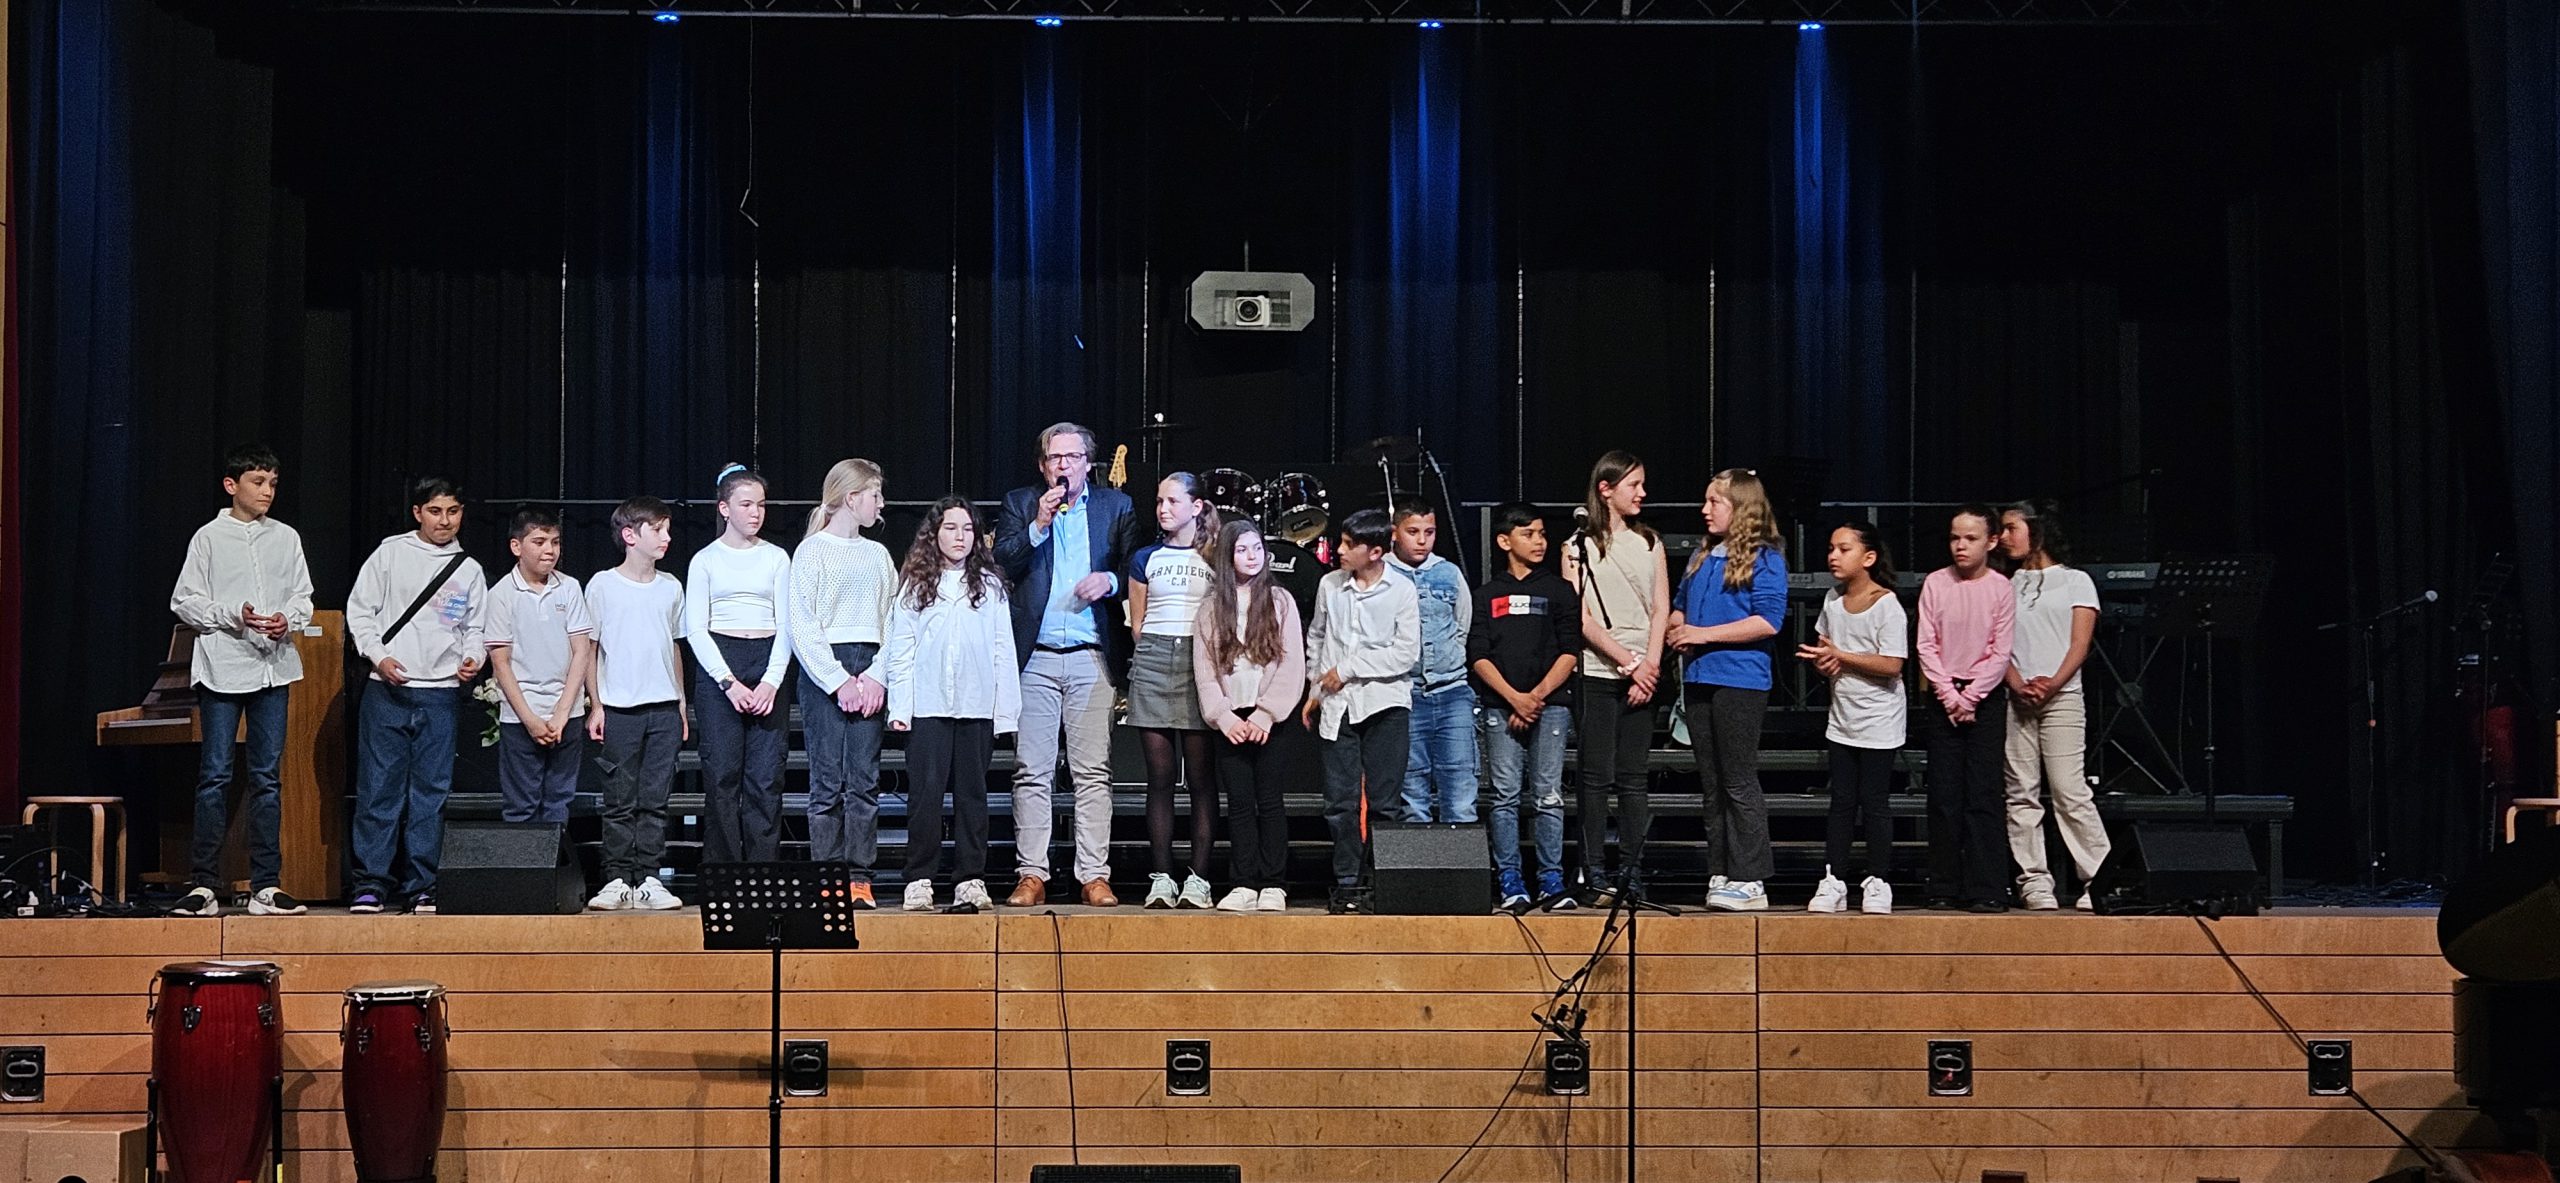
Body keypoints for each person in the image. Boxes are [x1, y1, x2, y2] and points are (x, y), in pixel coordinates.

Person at [167, 443, 315, 916]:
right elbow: (184, 601)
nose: (267, 491)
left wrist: (288, 619)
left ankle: (266, 885)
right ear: (232, 485)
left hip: (273, 667)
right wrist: (234, 614)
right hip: (223, 668)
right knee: (215, 776)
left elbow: (303, 596)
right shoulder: (209, 537)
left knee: (267, 778)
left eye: (272, 483)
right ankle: (204, 885)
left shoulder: (286, 537)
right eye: (257, 481)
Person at [994, 422, 1138, 908]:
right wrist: (1038, 524)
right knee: (1031, 770)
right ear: (1043, 466)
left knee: (1092, 771)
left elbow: (1133, 567)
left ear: (1087, 464)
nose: (1064, 465)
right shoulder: (1021, 503)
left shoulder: (1115, 506)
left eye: (1073, 457)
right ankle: (1031, 873)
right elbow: (1003, 561)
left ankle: (1094, 875)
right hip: (1034, 656)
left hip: (1089, 654)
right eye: (1055, 458)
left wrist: (1109, 582)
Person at [346, 476, 486, 915]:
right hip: (389, 689)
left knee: (430, 793)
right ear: (417, 513)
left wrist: (472, 657)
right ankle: (371, 883)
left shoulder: (468, 569)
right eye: (435, 511)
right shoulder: (391, 553)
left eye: (453, 511)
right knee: (379, 789)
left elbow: (474, 627)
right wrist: (379, 657)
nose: (445, 521)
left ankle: (422, 885)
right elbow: (360, 612)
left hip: (441, 692)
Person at [884, 498, 1021, 913]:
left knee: (972, 796)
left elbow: (1003, 650)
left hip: (976, 706)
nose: (960, 537)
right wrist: (900, 707)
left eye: (967, 529)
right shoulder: (916, 583)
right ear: (934, 533)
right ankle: (919, 878)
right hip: (928, 706)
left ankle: (970, 878)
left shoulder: (990, 586)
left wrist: (1006, 712)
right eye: (950, 528)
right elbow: (901, 649)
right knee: (925, 796)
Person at [1668, 469, 1789, 911]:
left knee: (1738, 779)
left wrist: (1702, 635)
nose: (1705, 510)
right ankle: (1721, 868)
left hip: (1739, 680)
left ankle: (1750, 878)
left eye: (1714, 502)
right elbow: (1680, 608)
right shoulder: (1703, 555)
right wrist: (1676, 628)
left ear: (1741, 509)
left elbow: (1767, 621)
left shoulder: (1765, 557)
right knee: (1712, 783)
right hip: (1700, 678)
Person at [1557, 451, 1669, 901]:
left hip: (1645, 673)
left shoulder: (1649, 542)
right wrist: (1628, 662)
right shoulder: (1576, 547)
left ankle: (1632, 872)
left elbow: (1661, 607)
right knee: (1595, 776)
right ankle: (1594, 872)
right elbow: (1581, 617)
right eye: (1633, 485)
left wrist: (1650, 666)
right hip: (1600, 671)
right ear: (1605, 489)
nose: (1642, 493)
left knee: (1633, 777)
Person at [789, 459, 897, 906]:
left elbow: (893, 620)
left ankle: (859, 878)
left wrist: (875, 675)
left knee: (864, 781)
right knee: (826, 781)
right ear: (852, 498)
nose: (881, 504)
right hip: (824, 672)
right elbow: (802, 624)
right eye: (875, 495)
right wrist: (838, 681)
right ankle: (829, 877)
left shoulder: (879, 555)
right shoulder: (811, 551)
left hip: (868, 663)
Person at [1302, 508, 1420, 915]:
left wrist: (1348, 669)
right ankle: (1348, 884)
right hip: (1338, 706)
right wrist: (1315, 689)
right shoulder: (1330, 585)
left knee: (1385, 803)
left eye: (1349, 545)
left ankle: (1380, 882)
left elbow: (1405, 653)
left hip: (1385, 704)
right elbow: (1317, 637)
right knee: (1340, 803)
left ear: (1375, 552)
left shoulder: (1401, 589)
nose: (1339, 550)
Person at [1468, 505, 1580, 912]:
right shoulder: (1486, 594)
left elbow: (1570, 650)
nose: (1539, 542)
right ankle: (1510, 878)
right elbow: (1478, 654)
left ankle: (1551, 878)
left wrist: (1536, 696)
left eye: (1542, 534)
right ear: (1504, 541)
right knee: (1505, 795)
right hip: (1501, 706)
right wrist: (1514, 698)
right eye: (1528, 534)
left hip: (1550, 707)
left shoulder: (1559, 590)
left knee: (1548, 794)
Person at [1998, 499, 2109, 910]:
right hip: (2017, 697)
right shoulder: (2004, 585)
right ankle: (2034, 881)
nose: (2004, 537)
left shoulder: (2075, 581)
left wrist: (2051, 684)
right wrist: (2017, 683)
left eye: (2011, 528)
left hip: (2061, 697)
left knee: (2069, 789)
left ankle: (2098, 879)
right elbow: (1997, 645)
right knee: (2020, 793)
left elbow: (2080, 644)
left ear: (2036, 529)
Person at [583, 496, 691, 911]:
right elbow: (590, 648)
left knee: (655, 799)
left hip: (662, 708)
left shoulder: (671, 587)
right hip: (619, 708)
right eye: (657, 529)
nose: (666, 537)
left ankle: (649, 876)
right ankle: (616, 878)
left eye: (668, 529)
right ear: (630, 535)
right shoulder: (603, 585)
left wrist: (680, 702)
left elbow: (674, 647)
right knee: (619, 799)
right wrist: (596, 705)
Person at [1193, 519, 1307, 913]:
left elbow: (1292, 663)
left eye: (1257, 548)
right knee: (1239, 803)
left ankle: (1274, 883)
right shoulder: (1210, 609)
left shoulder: (1280, 601)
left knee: (1269, 800)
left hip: (1269, 719)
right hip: (1231, 721)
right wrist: (1224, 717)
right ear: (1227, 557)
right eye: (1242, 550)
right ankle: (1243, 882)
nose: (1252, 556)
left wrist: (1266, 714)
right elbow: (1205, 670)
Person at [685, 464, 795, 866]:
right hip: (722, 664)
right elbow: (696, 629)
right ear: (724, 508)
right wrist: (728, 682)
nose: (755, 513)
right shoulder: (705, 560)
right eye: (746, 504)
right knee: (722, 777)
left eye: (761, 505)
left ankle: (763, 871)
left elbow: (787, 625)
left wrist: (770, 681)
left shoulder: (776, 557)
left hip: (767, 661)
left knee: (765, 779)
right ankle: (724, 874)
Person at [1797, 522, 1908, 915]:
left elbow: (1892, 664)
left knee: (1874, 802)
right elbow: (1827, 652)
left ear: (1869, 557)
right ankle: (1834, 879)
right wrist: (1825, 663)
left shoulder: (1886, 604)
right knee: (1841, 802)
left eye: (1844, 549)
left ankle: (1878, 880)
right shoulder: (1832, 599)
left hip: (1879, 720)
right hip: (1842, 718)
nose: (1833, 556)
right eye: (1831, 548)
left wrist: (1841, 656)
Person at [1128, 473, 1222, 909]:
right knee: (1160, 778)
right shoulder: (1145, 557)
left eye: (1172, 501)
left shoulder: (1215, 554)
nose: (1163, 509)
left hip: (1199, 661)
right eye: (1159, 502)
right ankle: (1162, 876)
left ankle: (1199, 879)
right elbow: (1137, 621)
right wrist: (1152, 649)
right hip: (1154, 658)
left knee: (1201, 778)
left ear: (1196, 506)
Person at [1918, 505, 2017, 913]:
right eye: (1955, 538)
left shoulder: (2000, 588)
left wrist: (1972, 696)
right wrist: (1950, 696)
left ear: (1991, 542)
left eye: (1971, 538)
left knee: (1983, 793)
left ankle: (1987, 887)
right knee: (1944, 794)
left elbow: (2000, 650)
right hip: (1945, 696)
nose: (1960, 546)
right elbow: (1927, 645)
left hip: (1984, 697)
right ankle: (1943, 884)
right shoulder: (1936, 583)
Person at [484, 507, 596, 827]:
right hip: (521, 716)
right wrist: (531, 720)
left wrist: (562, 713)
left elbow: (581, 651)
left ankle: (554, 861)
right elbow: (500, 662)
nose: (550, 550)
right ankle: (523, 863)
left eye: (555, 542)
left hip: (566, 714)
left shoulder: (569, 587)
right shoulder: (502, 594)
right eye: (539, 542)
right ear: (516, 546)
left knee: (559, 802)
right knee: (521, 806)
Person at [1388, 498, 1478, 825]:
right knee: (1412, 785)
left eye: (1429, 532)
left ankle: (1461, 856)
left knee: (1460, 781)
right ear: (1394, 532)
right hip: (1404, 692)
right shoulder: (1383, 574)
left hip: (1451, 690)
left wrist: (1449, 661)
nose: (1422, 540)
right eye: (1413, 532)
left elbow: (1462, 625)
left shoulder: (1448, 573)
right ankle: (1420, 858)